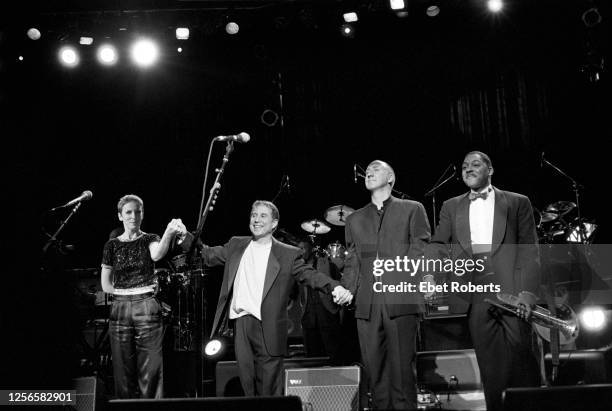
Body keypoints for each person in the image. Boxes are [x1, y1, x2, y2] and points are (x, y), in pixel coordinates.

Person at [202, 200, 352, 396]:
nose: (256, 219)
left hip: (268, 326)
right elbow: (208, 254)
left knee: (269, 390)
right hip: (241, 324)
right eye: (253, 215)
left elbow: (311, 275)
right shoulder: (237, 245)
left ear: (274, 223)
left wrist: (335, 287)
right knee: (248, 385)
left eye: (263, 216)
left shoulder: (287, 253)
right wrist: (183, 236)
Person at [427, 151, 541, 411]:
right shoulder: (451, 206)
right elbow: (437, 244)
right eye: (465, 166)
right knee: (491, 368)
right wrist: (431, 274)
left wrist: (528, 292)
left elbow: (529, 249)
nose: (468, 169)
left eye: (475, 164)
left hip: (512, 289)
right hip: (476, 291)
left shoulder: (516, 202)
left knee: (523, 360)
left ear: (490, 170)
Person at [341, 160, 431, 410]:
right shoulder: (355, 219)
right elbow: (353, 261)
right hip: (367, 304)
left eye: (375, 169)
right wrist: (347, 290)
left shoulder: (412, 209)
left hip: (400, 298)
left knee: (402, 371)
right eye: (367, 170)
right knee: (375, 372)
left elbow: (421, 249)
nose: (368, 172)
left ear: (391, 178)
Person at [100, 194, 186, 398]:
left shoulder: (150, 238)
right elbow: (105, 284)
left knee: (151, 372)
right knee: (122, 371)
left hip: (146, 306)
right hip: (120, 307)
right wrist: (124, 294)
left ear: (143, 214)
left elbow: (156, 255)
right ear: (120, 216)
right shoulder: (111, 245)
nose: (133, 216)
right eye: (128, 212)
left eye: (138, 211)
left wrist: (169, 231)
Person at [296, 238, 346, 365]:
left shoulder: (326, 262)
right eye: (298, 248)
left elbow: (338, 281)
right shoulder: (298, 267)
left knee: (333, 352)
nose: (300, 251)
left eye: (303, 247)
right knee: (312, 356)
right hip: (309, 315)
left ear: (311, 249)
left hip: (327, 312)